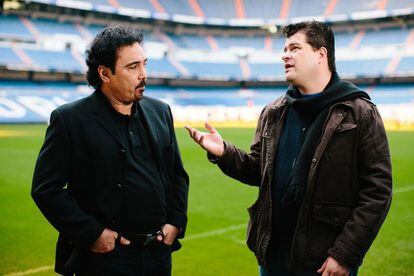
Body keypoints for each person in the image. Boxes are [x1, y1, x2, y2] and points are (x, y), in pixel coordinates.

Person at [186, 21, 392, 276]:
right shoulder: (274, 111)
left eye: (294, 48)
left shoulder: (359, 112)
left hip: (324, 262)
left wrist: (345, 253)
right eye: (284, 49)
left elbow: (377, 191)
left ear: (321, 54)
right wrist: (224, 152)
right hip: (272, 257)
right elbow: (259, 172)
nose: (285, 54)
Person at [32, 25, 189, 276]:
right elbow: (46, 189)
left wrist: (175, 222)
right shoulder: (70, 119)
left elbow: (177, 175)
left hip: (158, 252)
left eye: (144, 64)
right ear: (105, 73)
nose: (143, 74)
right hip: (104, 258)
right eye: (132, 67)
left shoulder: (161, 111)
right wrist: (92, 233)